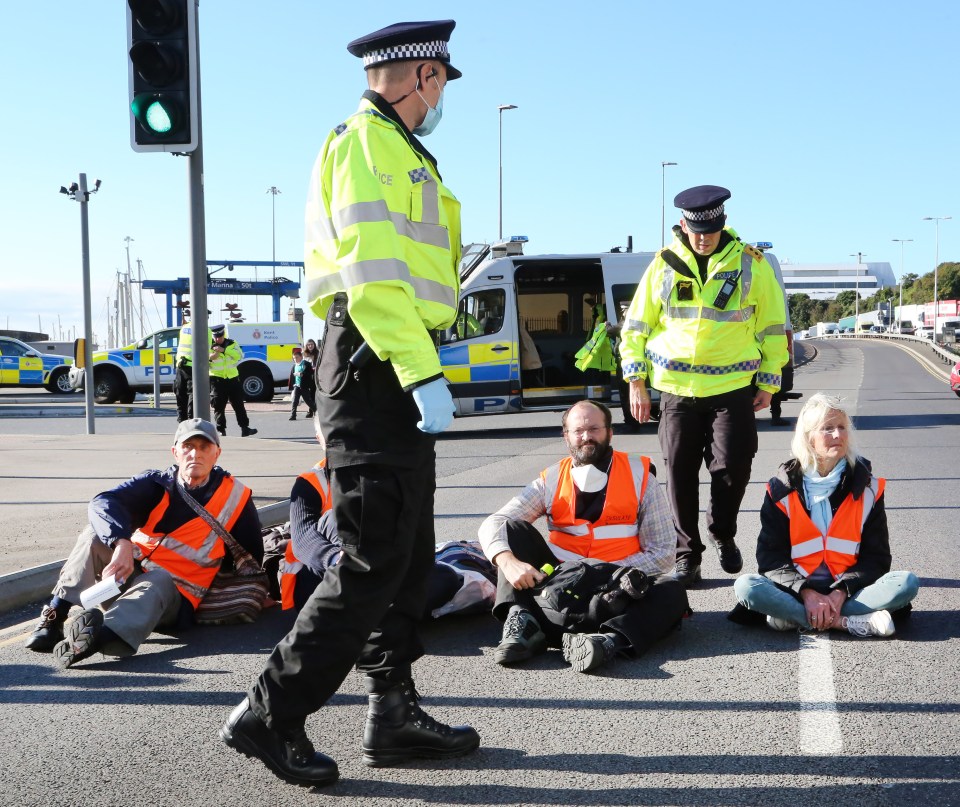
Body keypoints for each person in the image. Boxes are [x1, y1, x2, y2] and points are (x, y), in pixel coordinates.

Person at [220, 20, 477, 788]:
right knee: (370, 552)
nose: (440, 98)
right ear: (422, 74)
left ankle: (391, 709)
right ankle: (270, 710)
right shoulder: (365, 144)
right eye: (441, 82)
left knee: (405, 550)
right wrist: (417, 369)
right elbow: (370, 274)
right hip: (374, 360)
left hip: (389, 359)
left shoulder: (402, 150)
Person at [619, 185, 789, 586]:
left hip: (731, 388)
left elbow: (772, 327)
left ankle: (722, 532)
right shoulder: (662, 264)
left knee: (733, 468)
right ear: (683, 224)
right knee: (679, 475)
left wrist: (770, 379)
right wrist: (636, 382)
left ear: (722, 224)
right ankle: (687, 554)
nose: (703, 237)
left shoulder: (752, 264)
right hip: (676, 390)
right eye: (697, 229)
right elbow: (636, 328)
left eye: (711, 229)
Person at [24, 419, 263, 667]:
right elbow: (102, 502)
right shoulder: (156, 483)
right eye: (188, 446)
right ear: (175, 452)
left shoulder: (236, 496)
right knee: (92, 535)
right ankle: (53, 618)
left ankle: (97, 639)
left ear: (217, 454)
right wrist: (121, 544)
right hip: (126, 579)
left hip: (175, 600)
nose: (195, 454)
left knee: (158, 578)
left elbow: (253, 554)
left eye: (204, 447)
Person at [478, 400, 688, 673]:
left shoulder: (641, 476)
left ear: (610, 433)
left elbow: (663, 552)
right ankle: (522, 623)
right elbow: (495, 522)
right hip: (557, 587)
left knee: (671, 591)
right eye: (578, 431)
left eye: (594, 429)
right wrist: (506, 561)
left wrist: (609, 575)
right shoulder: (551, 479)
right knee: (512, 531)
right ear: (566, 436)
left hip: (615, 593)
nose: (586, 436)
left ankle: (608, 641)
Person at [731, 393, 919, 636]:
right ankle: (847, 622)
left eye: (842, 427)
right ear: (809, 438)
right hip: (796, 590)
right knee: (747, 587)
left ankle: (795, 617)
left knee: (906, 583)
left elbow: (877, 559)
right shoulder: (780, 490)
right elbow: (771, 560)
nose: (838, 435)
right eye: (827, 428)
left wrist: (841, 592)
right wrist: (806, 593)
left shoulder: (869, 488)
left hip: (851, 589)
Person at [280, 413, 494, 615]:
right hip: (321, 577)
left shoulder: (380, 474)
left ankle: (369, 616)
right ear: (320, 439)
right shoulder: (308, 483)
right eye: (332, 435)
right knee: (340, 516)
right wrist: (338, 560)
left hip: (377, 572)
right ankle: (377, 613)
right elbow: (303, 540)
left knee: (444, 579)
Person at [209, 324, 257, 437]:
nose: (217, 339)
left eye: (219, 336)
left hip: (232, 379)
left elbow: (239, 356)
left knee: (239, 405)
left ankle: (245, 428)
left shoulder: (232, 343)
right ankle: (221, 430)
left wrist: (224, 350)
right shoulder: (209, 345)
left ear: (223, 334)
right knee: (218, 406)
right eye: (215, 337)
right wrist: (213, 355)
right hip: (217, 379)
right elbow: (206, 357)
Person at [174, 318, 210, 423]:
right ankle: (191, 420)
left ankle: (182, 420)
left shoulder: (184, 328)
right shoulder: (206, 330)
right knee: (193, 395)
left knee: (180, 394)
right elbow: (206, 348)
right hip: (193, 367)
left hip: (181, 365)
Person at [287, 346, 316, 421]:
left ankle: (316, 412)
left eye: (296, 357)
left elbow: (310, 372)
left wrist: (301, 374)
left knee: (308, 401)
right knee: (295, 401)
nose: (295, 359)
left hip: (304, 386)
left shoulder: (306, 364)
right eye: (294, 358)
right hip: (297, 386)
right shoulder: (294, 366)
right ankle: (293, 415)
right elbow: (292, 376)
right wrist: (293, 384)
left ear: (301, 357)